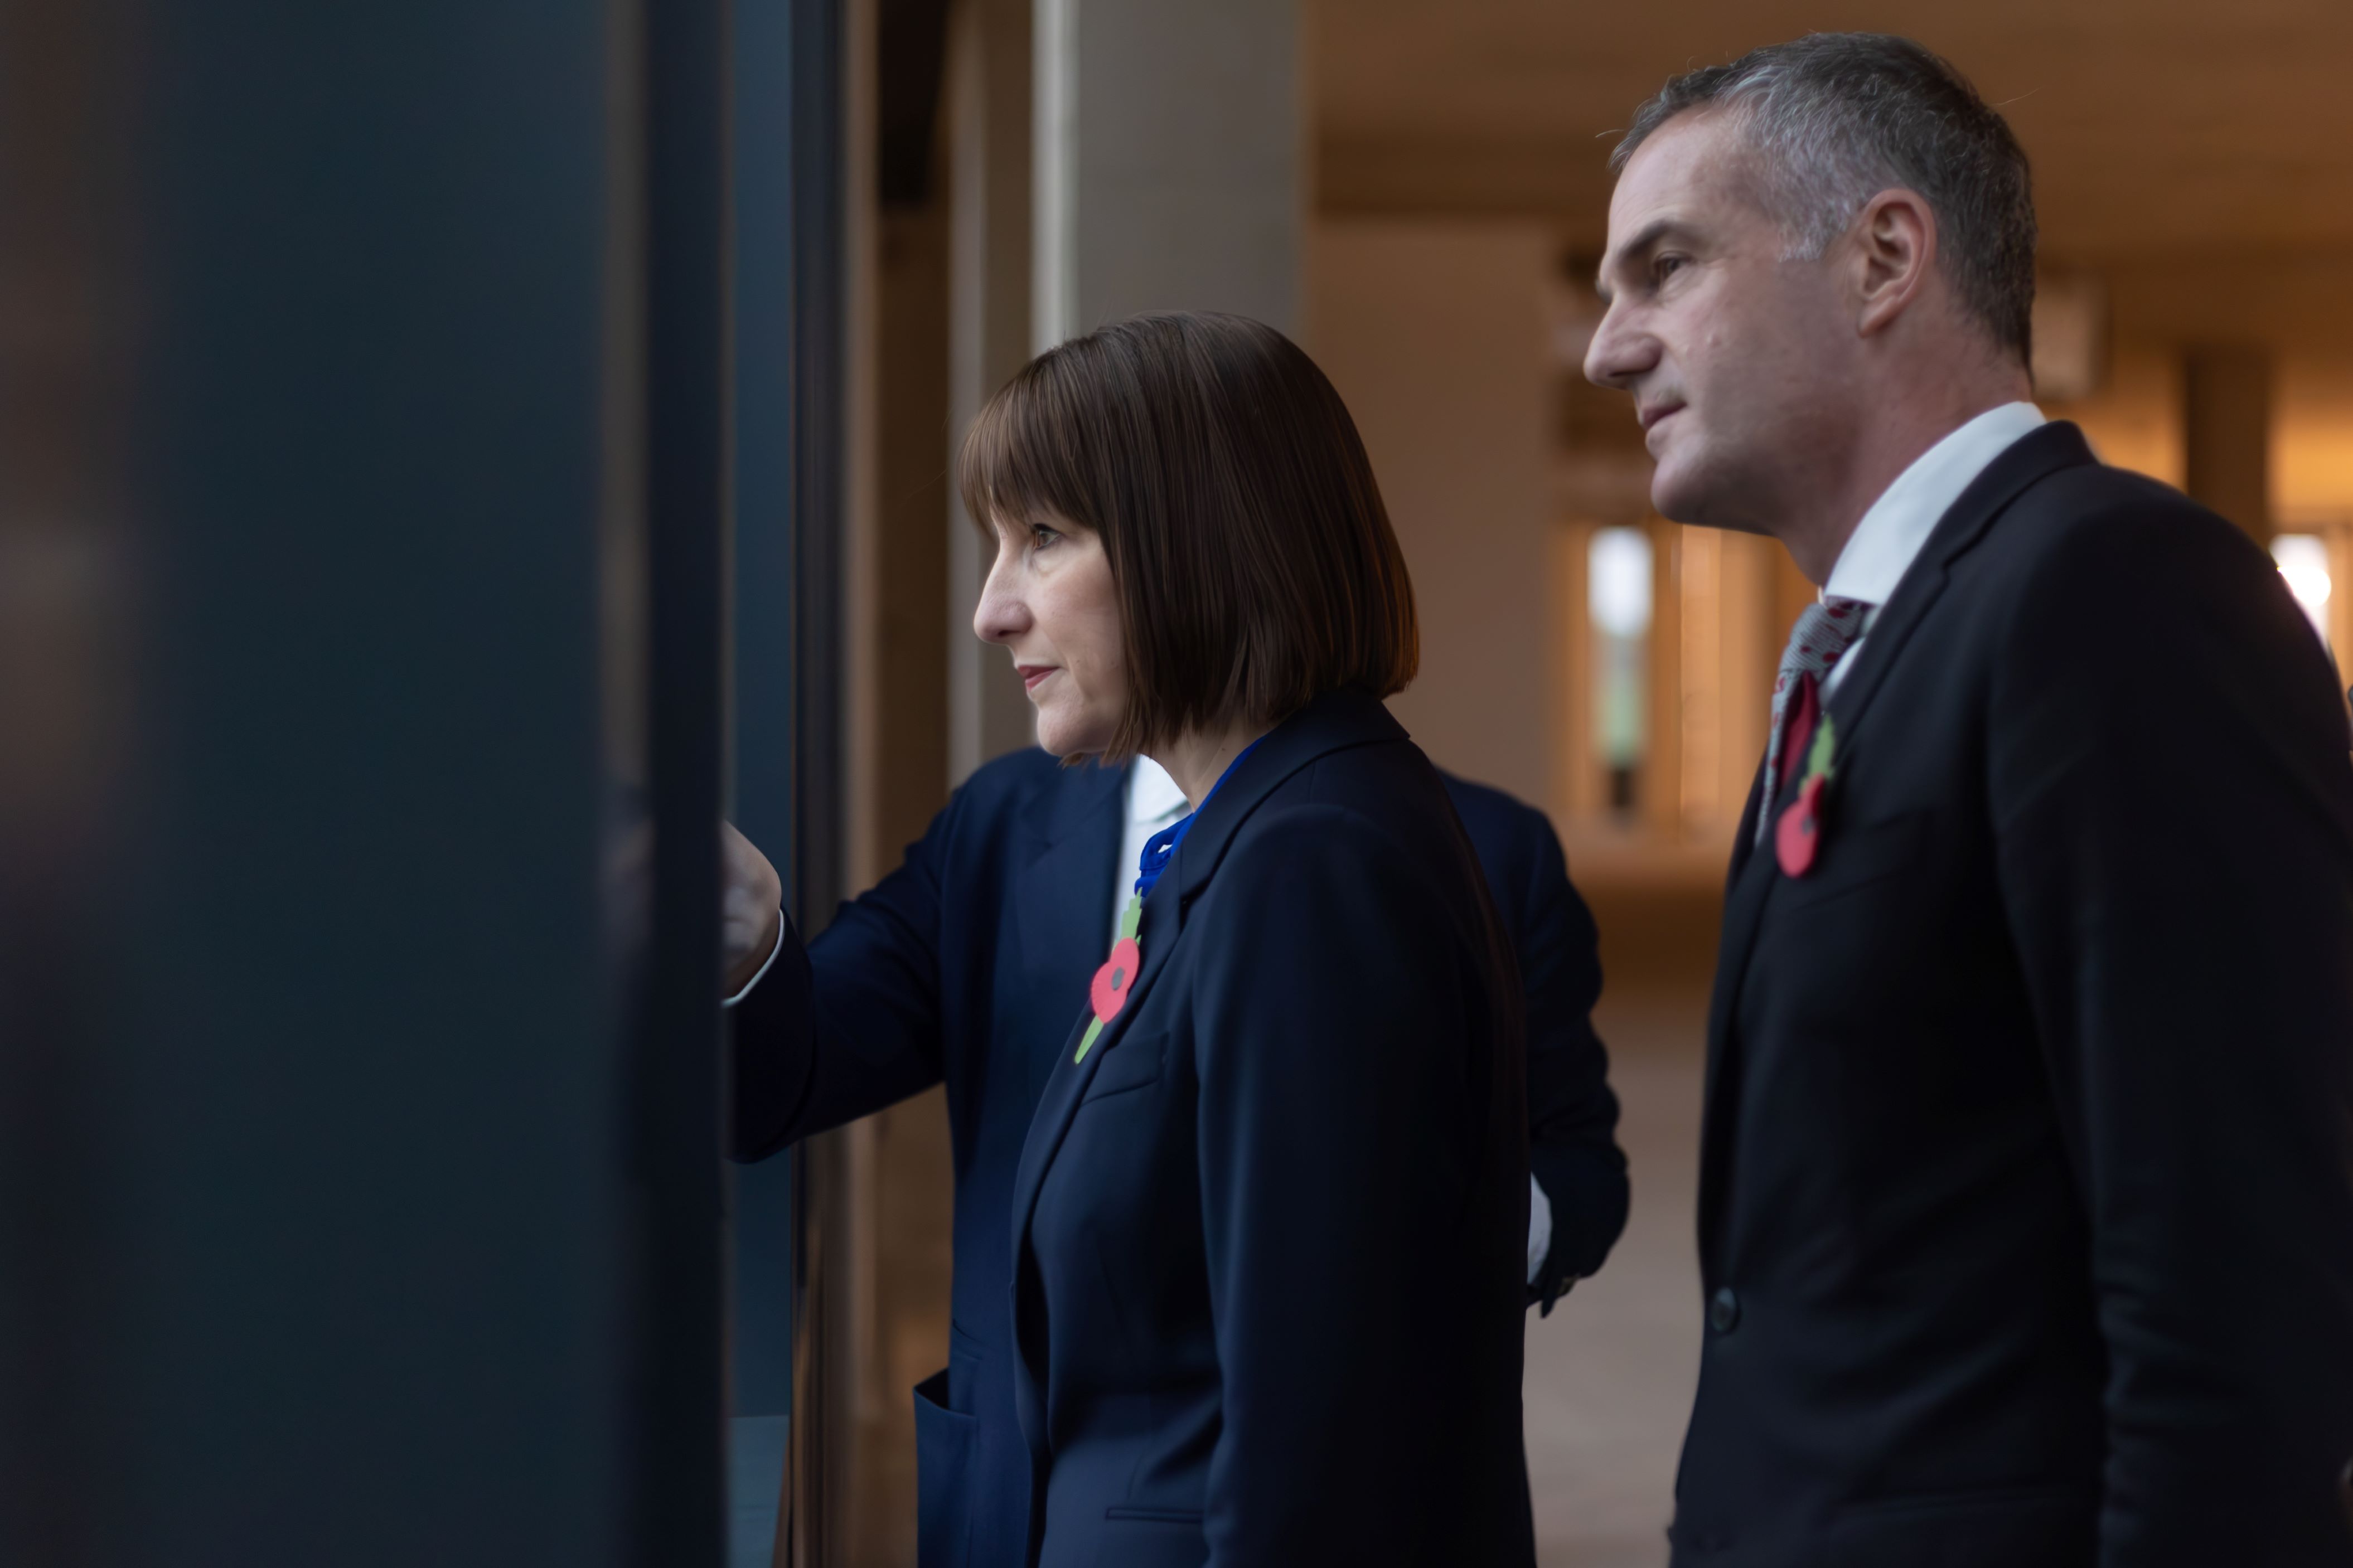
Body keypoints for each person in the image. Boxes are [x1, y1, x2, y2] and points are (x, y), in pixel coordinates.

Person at [1582, 33, 2353, 1566]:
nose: (1609, 346)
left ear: (1881, 257)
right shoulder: (1883, 640)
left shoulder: (2109, 590)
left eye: (1662, 268)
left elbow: (2231, 1270)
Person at [727, 312, 1542, 1566]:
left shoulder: (1310, 861)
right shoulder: (1231, 828)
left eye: (1043, 538)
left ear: (1200, 539)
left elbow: (1318, 1440)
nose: (992, 609)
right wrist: (737, 942)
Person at [723, 747, 1620, 1568]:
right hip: (1012, 1501)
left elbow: (1579, 1163)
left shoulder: (1481, 848)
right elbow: (798, 1067)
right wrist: (754, 943)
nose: (994, 613)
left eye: (1045, 556)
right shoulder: (999, 825)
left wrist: (1439, 1227)